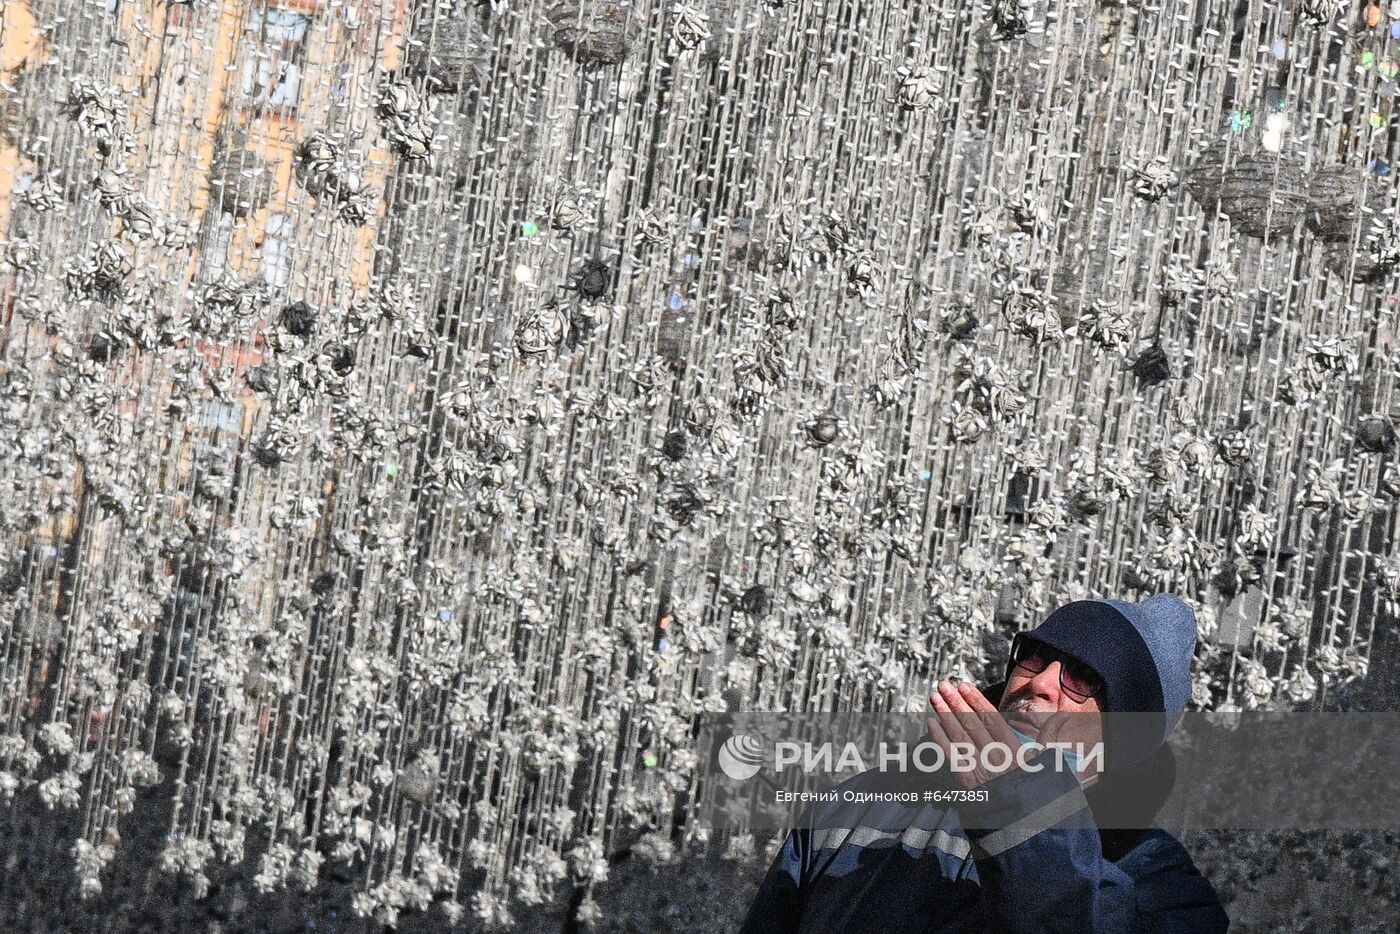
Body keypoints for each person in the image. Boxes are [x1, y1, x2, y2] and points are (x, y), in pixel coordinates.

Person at [739, 593, 1229, 933]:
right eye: (1034, 657)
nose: (1039, 683)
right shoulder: (859, 807)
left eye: (1083, 678)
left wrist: (1021, 809)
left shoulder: (1159, 882)